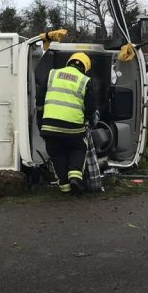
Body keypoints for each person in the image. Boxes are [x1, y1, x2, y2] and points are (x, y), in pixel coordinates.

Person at [36, 52, 99, 194]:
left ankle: (65, 187)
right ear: (85, 67)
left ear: (69, 62)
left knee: (57, 153)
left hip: (49, 126)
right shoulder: (84, 80)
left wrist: (40, 120)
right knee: (78, 148)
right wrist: (87, 119)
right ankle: (75, 178)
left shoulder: (53, 74)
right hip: (74, 127)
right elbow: (91, 107)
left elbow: (39, 98)